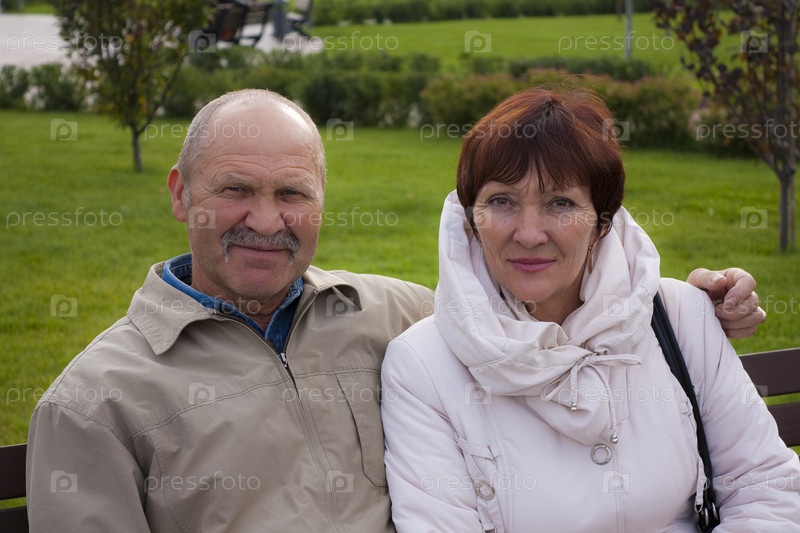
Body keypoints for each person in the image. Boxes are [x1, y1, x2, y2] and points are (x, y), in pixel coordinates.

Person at [26, 88, 767, 532]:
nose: (265, 219)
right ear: (180, 193)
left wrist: (679, 308)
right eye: (234, 190)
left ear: (322, 203)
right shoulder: (94, 404)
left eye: (292, 193)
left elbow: (530, 315)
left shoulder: (389, 313)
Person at [380, 87, 800, 532]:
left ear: (603, 222)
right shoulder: (423, 365)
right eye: (502, 201)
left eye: (560, 203)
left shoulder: (680, 317)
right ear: (471, 218)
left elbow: (765, 487)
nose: (529, 234)